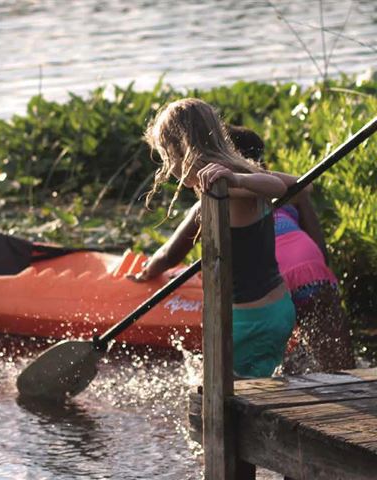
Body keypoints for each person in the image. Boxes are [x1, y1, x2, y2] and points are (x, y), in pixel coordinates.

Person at [136, 122, 354, 373]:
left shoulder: (216, 199)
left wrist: (146, 272)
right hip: (312, 271)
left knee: (257, 367)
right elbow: (318, 243)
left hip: (269, 285)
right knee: (337, 364)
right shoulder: (279, 189)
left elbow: (168, 256)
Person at [141, 98, 296, 378]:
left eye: (166, 158)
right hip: (278, 309)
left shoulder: (227, 183)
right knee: (256, 390)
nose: (167, 168)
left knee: (221, 401)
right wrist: (244, 176)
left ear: (179, 150)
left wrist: (237, 180)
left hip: (249, 321)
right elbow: (291, 182)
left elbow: (275, 186)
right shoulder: (240, 171)